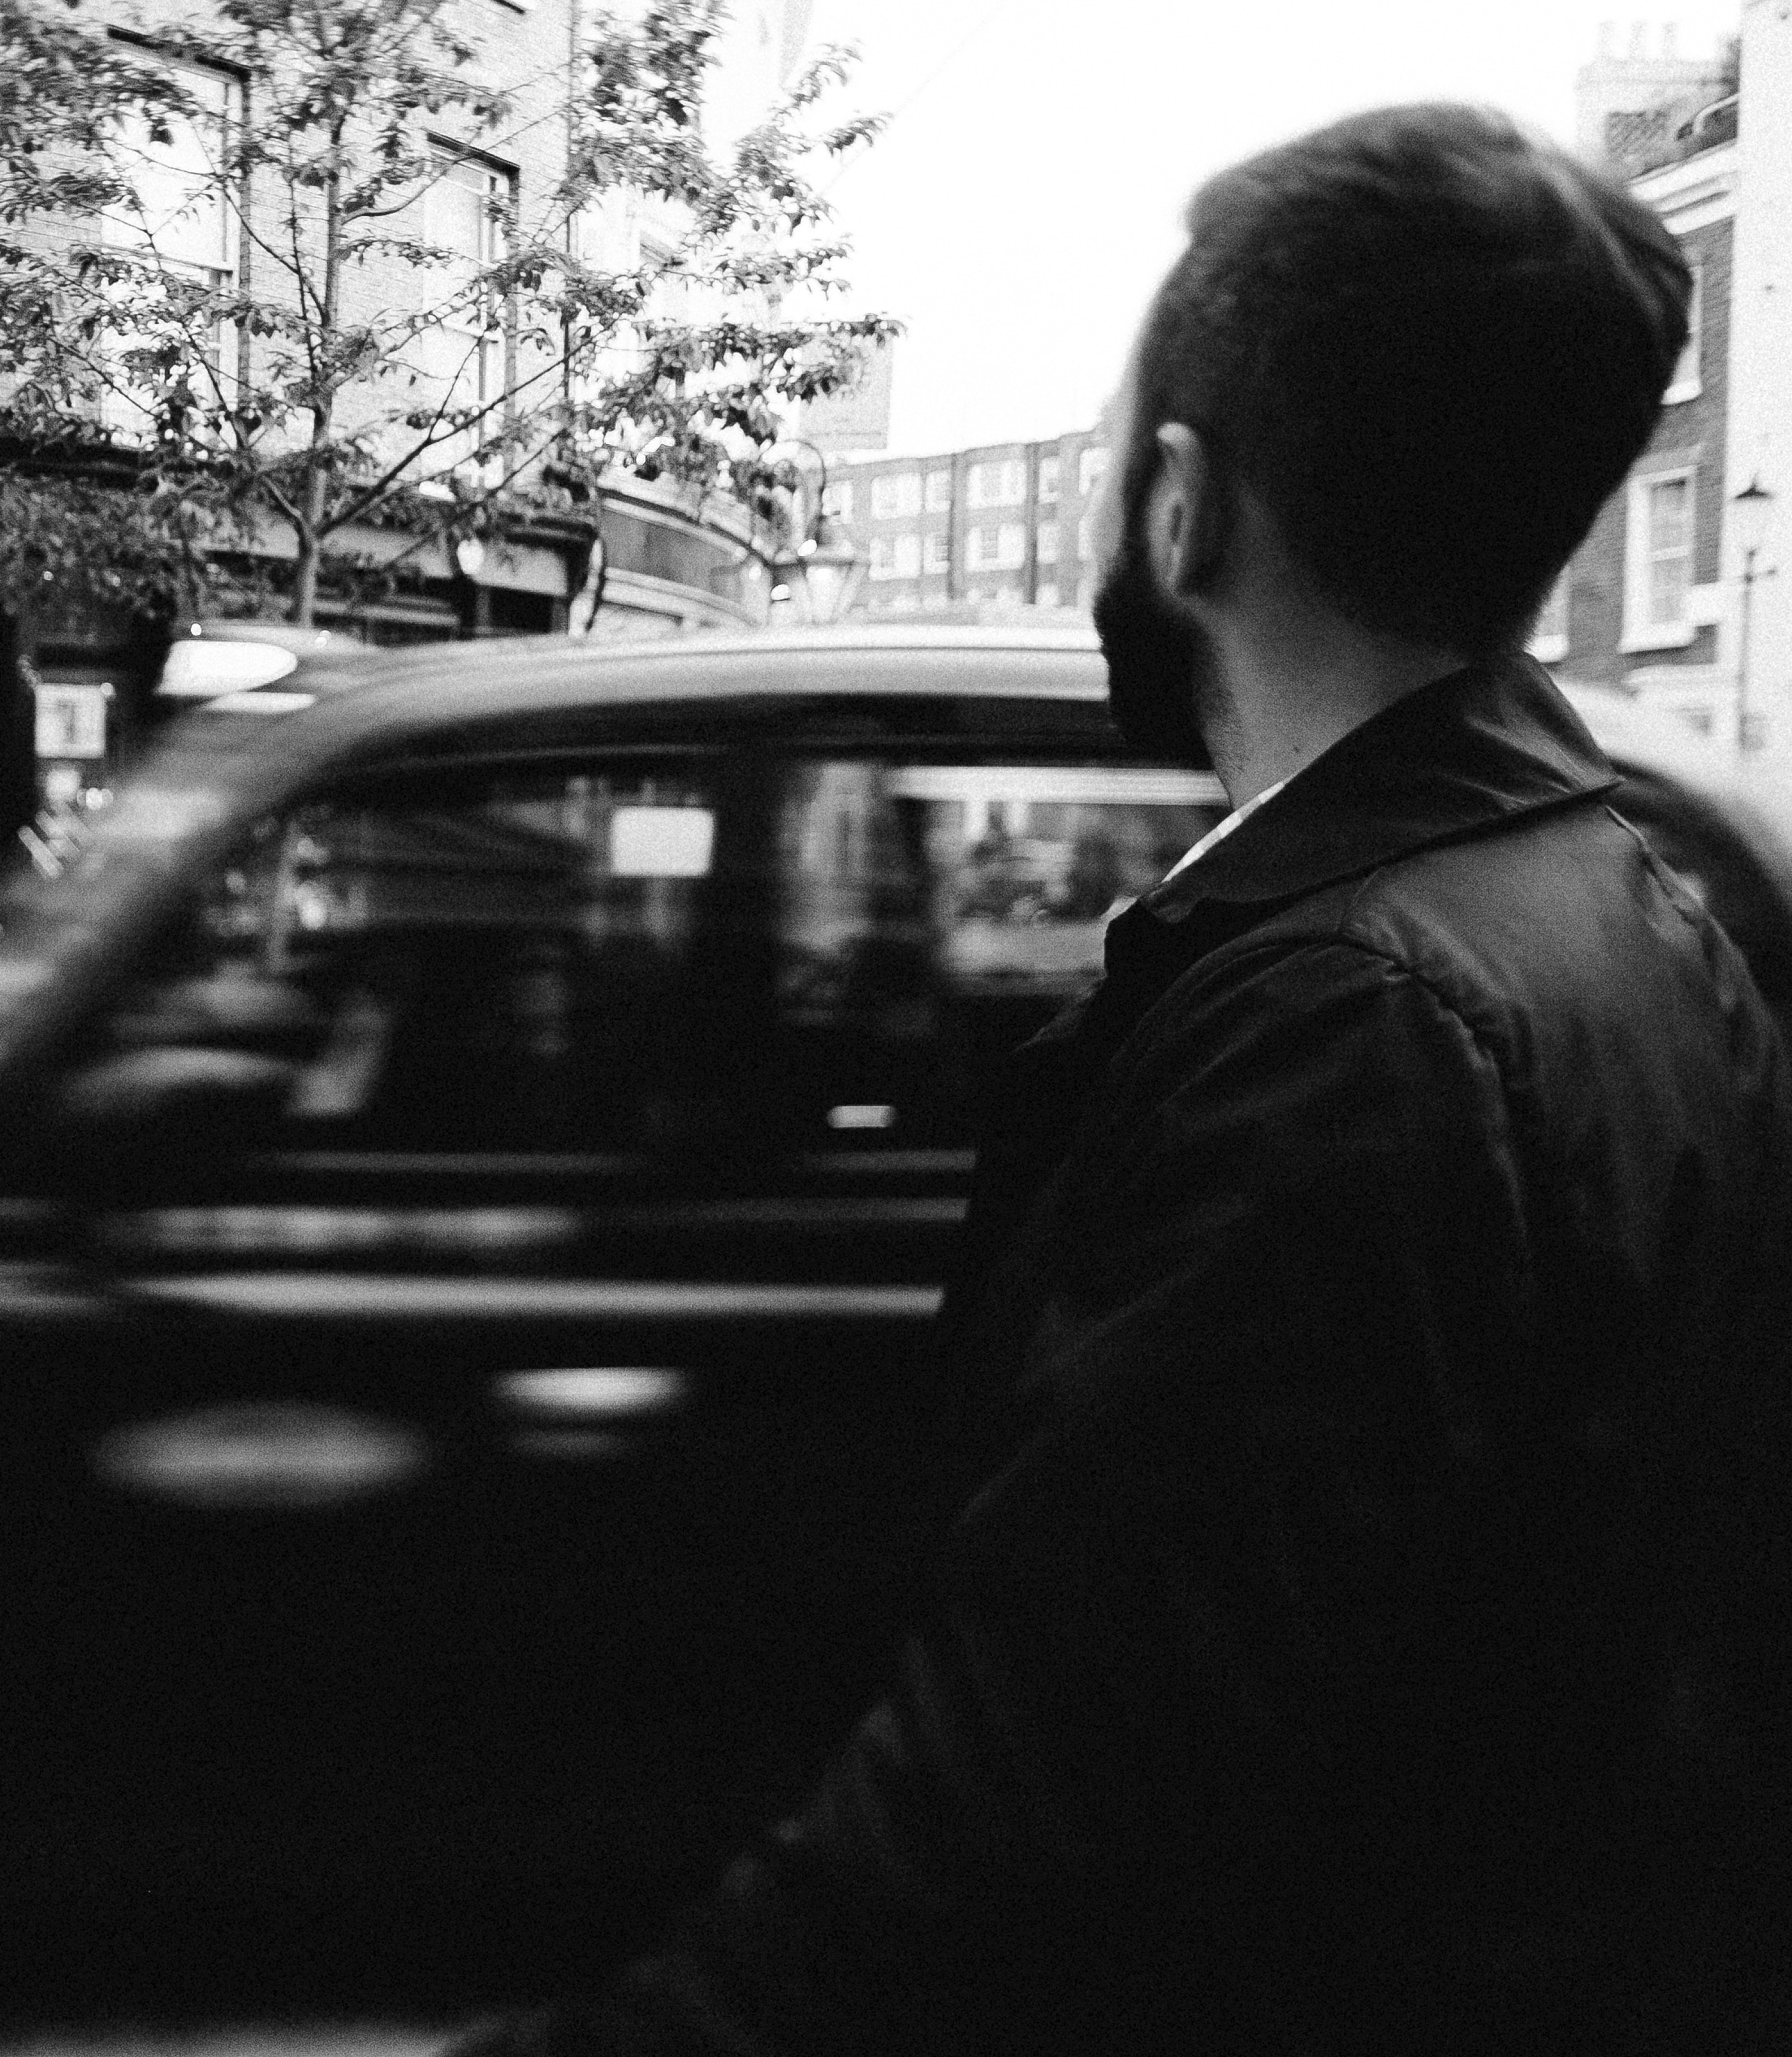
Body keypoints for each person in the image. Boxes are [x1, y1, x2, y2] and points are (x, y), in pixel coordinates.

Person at [452, 104, 1792, 2055]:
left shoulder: (1347, 1027)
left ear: (1180, 506)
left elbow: (1029, 1813)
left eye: (1106, 455)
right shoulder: (1641, 922)